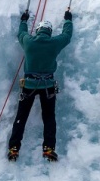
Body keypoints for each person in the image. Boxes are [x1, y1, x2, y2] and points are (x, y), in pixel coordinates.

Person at [7, 9, 74, 162]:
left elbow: (21, 33)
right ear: (49, 32)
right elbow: (67, 36)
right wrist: (68, 20)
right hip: (47, 86)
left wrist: (24, 20)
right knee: (49, 118)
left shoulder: (29, 41)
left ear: (38, 30)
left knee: (21, 117)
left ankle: (14, 148)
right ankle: (49, 148)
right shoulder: (54, 43)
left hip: (29, 85)